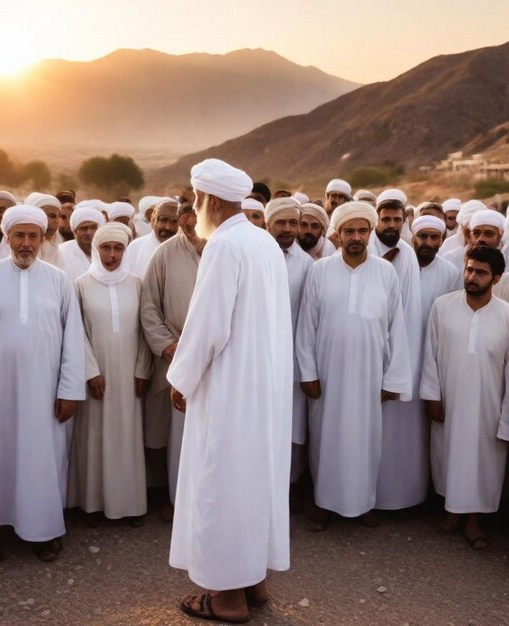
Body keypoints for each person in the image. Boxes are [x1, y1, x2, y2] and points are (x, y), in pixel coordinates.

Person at [168, 159, 292, 624]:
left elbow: (207, 327)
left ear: (213, 202)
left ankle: (226, 597)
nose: (194, 208)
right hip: (264, 391)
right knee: (253, 483)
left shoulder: (223, 245)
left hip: (230, 392)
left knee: (221, 485)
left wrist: (181, 380)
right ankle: (253, 580)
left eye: (197, 200)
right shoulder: (261, 241)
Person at [0, 205, 85, 565]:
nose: (26, 244)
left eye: (33, 236)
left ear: (43, 238)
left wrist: (69, 391)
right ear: (7, 237)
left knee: (42, 461)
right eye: (20, 236)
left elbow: (73, 341)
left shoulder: (59, 281)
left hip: (44, 397)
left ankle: (41, 531)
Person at [297, 202, 411, 529]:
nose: (356, 237)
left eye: (362, 230)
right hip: (327, 373)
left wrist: (393, 379)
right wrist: (308, 372)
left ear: (370, 232)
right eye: (349, 231)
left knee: (366, 439)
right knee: (324, 439)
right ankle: (323, 504)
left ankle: (362, 503)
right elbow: (307, 325)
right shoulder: (320, 270)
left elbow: (396, 327)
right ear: (338, 234)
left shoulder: (385, 272)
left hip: (369, 374)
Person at [421, 246, 509, 549]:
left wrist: (506, 417)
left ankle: (473, 521)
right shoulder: (442, 306)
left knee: (483, 462)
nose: (471, 277)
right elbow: (429, 357)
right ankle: (451, 514)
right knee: (449, 455)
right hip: (449, 401)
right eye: (469, 269)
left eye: (480, 273)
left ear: (496, 278)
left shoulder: (507, 316)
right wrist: (431, 395)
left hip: (489, 406)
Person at [68, 222, 151, 525]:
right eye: (106, 247)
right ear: (95, 249)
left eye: (118, 248)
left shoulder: (137, 283)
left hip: (130, 375)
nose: (112, 255)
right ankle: (92, 504)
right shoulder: (80, 284)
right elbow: (76, 332)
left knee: (127, 436)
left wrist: (143, 369)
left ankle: (129, 504)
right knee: (94, 436)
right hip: (97, 375)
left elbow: (145, 331)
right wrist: (90, 372)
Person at [140, 202, 205, 516]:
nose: (192, 221)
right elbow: (149, 306)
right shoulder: (164, 254)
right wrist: (167, 345)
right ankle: (170, 497)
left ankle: (204, 500)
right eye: (187, 216)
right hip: (173, 355)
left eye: (198, 214)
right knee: (168, 431)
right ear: (182, 218)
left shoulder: (222, 250)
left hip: (212, 359)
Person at [368, 189, 424, 515]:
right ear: (376, 219)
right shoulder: (362, 248)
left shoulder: (408, 254)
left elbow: (411, 313)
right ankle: (363, 498)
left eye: (397, 220)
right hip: (367, 350)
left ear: (404, 222)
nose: (391, 224)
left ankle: (396, 499)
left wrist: (400, 366)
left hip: (396, 349)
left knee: (395, 434)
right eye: (386, 218)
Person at [265, 197, 313, 499]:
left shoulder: (307, 264)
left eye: (292, 223)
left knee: (293, 423)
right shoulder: (257, 254)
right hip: (259, 354)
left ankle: (290, 485)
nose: (287, 229)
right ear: (269, 223)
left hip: (293, 354)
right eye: (281, 222)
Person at [124, 199, 179, 279]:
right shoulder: (135, 248)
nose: (168, 227)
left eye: (174, 222)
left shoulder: (185, 250)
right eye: (163, 220)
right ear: (153, 221)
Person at [59, 204, 105, 283]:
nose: (88, 233)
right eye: (83, 228)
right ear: (74, 232)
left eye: (93, 227)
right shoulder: (61, 252)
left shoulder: (108, 251)